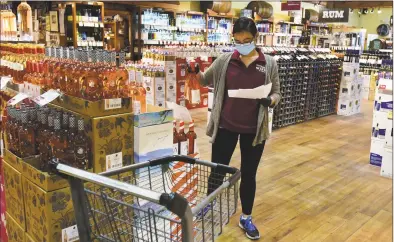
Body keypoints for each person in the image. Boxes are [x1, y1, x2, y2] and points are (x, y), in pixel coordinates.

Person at [195, 17, 281, 240]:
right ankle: (207, 205)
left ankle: (246, 217)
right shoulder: (225, 60)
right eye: (238, 40)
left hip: (254, 130)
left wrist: (269, 101)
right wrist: (194, 71)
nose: (243, 44)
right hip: (226, 126)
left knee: (249, 175)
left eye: (248, 40)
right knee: (217, 169)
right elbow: (204, 80)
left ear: (256, 39)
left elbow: (277, 94)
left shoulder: (269, 63)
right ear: (233, 39)